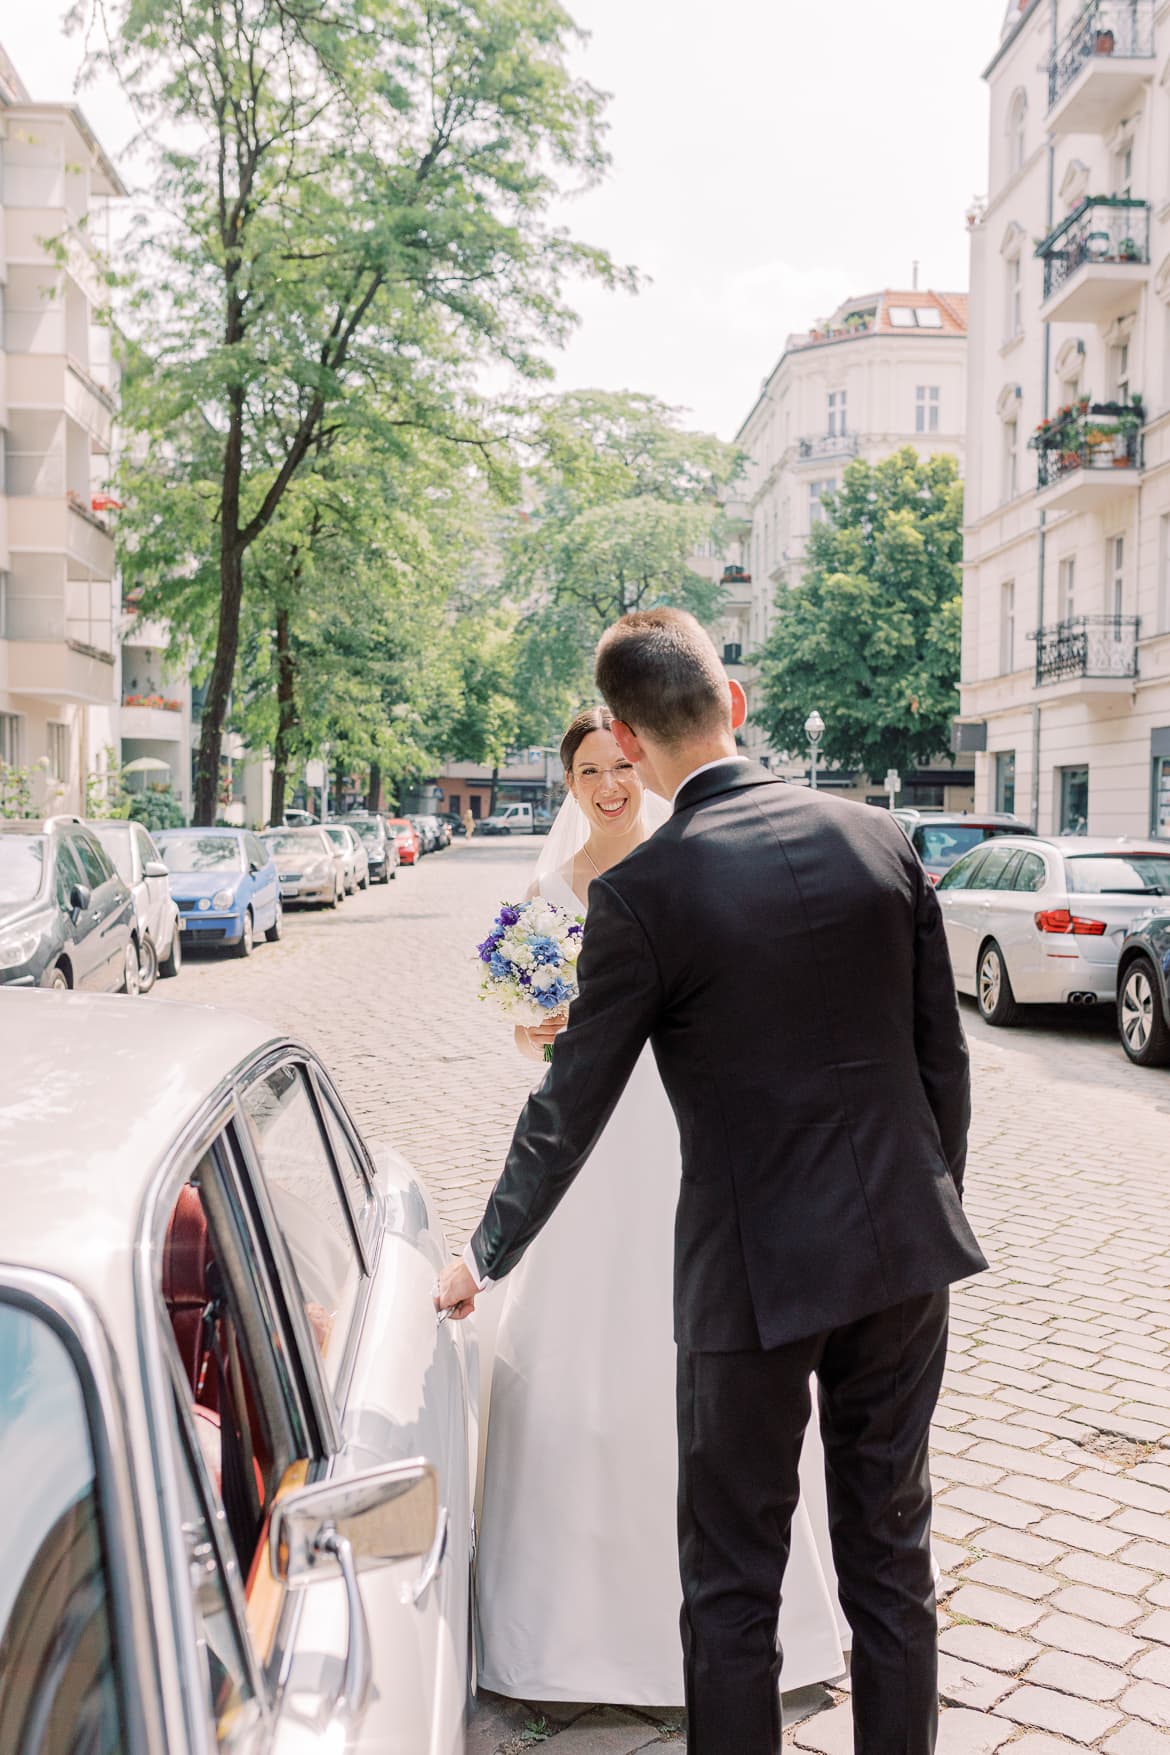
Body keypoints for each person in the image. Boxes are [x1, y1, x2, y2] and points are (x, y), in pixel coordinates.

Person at [439, 608, 985, 1755]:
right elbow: (945, 1064)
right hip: (902, 1256)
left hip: (752, 1280)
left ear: (627, 746)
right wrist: (927, 1211)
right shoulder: (881, 836)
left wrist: (484, 1250)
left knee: (733, 1583)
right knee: (892, 1559)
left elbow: (569, 1102)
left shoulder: (649, 894)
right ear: (732, 700)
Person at [473, 706, 848, 1706]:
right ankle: (572, 1635)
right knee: (583, 1351)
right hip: (591, 1141)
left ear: (642, 764)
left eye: (618, 767)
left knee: (700, 1348)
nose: (606, 786)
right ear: (569, 782)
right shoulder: (547, 893)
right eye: (587, 771)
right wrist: (540, 1027)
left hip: (684, 1128)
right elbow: (532, 1044)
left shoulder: (688, 868)